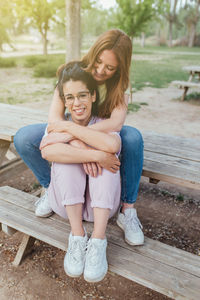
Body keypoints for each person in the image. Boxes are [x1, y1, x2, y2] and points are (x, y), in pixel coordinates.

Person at [14, 29, 144, 246]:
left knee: (133, 138)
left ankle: (127, 209)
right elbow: (55, 118)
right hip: (70, 125)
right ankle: (51, 187)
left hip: (101, 129)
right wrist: (76, 141)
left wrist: (83, 139)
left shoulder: (121, 85)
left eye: (110, 68)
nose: (101, 71)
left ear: (120, 68)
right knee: (24, 137)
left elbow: (115, 123)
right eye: (98, 62)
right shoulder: (71, 71)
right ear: (93, 54)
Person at [41, 61, 121, 282]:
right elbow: (47, 151)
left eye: (82, 95)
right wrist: (92, 154)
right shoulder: (58, 124)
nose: (77, 103)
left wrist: (74, 137)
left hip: (101, 209)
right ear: (64, 101)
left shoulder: (103, 124)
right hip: (67, 206)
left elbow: (112, 145)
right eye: (70, 98)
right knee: (69, 161)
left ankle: (98, 241)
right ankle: (77, 236)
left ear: (93, 96)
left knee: (109, 161)